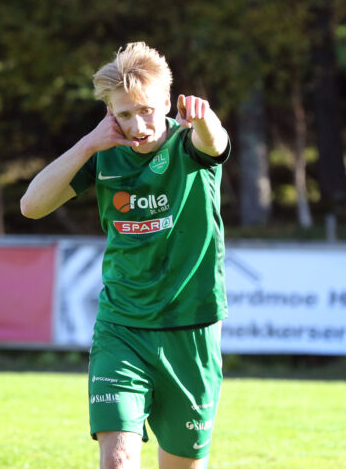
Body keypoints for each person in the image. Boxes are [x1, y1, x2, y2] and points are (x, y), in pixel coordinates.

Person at [21, 42, 229, 469]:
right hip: (121, 327)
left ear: (167, 103)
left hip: (191, 327)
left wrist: (205, 118)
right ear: (110, 114)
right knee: (117, 460)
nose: (138, 125)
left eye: (147, 110)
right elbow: (32, 205)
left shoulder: (190, 144)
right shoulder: (103, 155)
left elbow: (216, 143)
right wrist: (86, 145)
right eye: (124, 114)